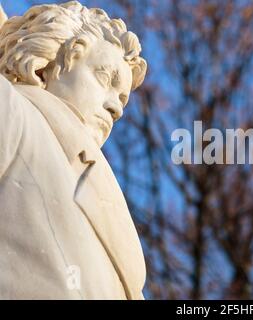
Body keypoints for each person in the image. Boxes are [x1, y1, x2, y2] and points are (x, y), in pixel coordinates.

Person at [0, 1, 147, 299]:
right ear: (46, 67)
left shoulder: (100, 184)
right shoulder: (13, 113)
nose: (116, 107)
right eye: (106, 78)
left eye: (122, 97)